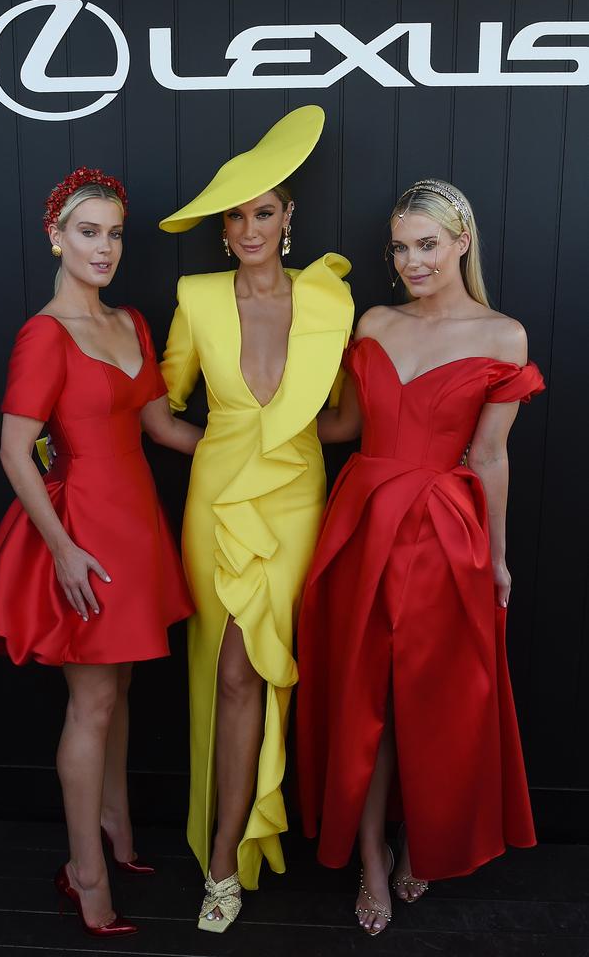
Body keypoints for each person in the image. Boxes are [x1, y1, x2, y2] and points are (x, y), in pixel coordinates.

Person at [296, 179, 544, 937]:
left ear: (462, 241)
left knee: (427, 706)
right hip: (361, 526)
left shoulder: (505, 336)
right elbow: (340, 422)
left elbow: (490, 457)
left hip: (444, 534)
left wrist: (497, 559)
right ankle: (369, 854)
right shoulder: (372, 320)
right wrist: (255, 414)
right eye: (401, 248)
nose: (412, 261)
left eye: (428, 244)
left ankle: (419, 841)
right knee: (359, 699)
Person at [0, 167, 201, 938]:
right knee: (94, 701)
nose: (103, 247)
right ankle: (87, 877)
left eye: (113, 233)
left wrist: (259, 452)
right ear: (55, 237)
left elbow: (165, 429)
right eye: (87, 232)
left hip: (137, 525)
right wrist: (63, 549)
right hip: (85, 535)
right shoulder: (45, 334)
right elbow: (13, 451)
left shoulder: (132, 322)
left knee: (121, 692)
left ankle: (120, 833)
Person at [158, 106, 354, 931]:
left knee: (265, 672)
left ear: (288, 218)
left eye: (262, 210)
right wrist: (226, 447)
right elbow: (158, 409)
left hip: (297, 500)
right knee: (226, 670)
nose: (246, 227)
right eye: (234, 214)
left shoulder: (327, 301)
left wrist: (286, 444)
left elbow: (344, 418)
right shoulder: (195, 298)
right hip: (218, 503)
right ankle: (222, 864)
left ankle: (237, 850)